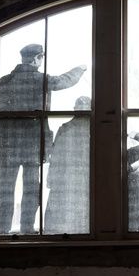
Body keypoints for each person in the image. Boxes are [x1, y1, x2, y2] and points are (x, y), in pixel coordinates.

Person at [0, 43, 86, 234]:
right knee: (31, 188)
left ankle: (2, 230)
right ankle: (27, 229)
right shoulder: (40, 79)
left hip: (7, 145)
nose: (42, 61)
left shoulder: (4, 81)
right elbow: (64, 81)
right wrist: (80, 68)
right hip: (32, 145)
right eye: (41, 57)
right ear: (37, 58)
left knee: (5, 189)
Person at [43, 96, 91, 234]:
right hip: (72, 178)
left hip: (73, 178)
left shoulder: (66, 129)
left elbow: (55, 157)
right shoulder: (66, 129)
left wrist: (52, 178)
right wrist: (52, 177)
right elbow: (56, 156)